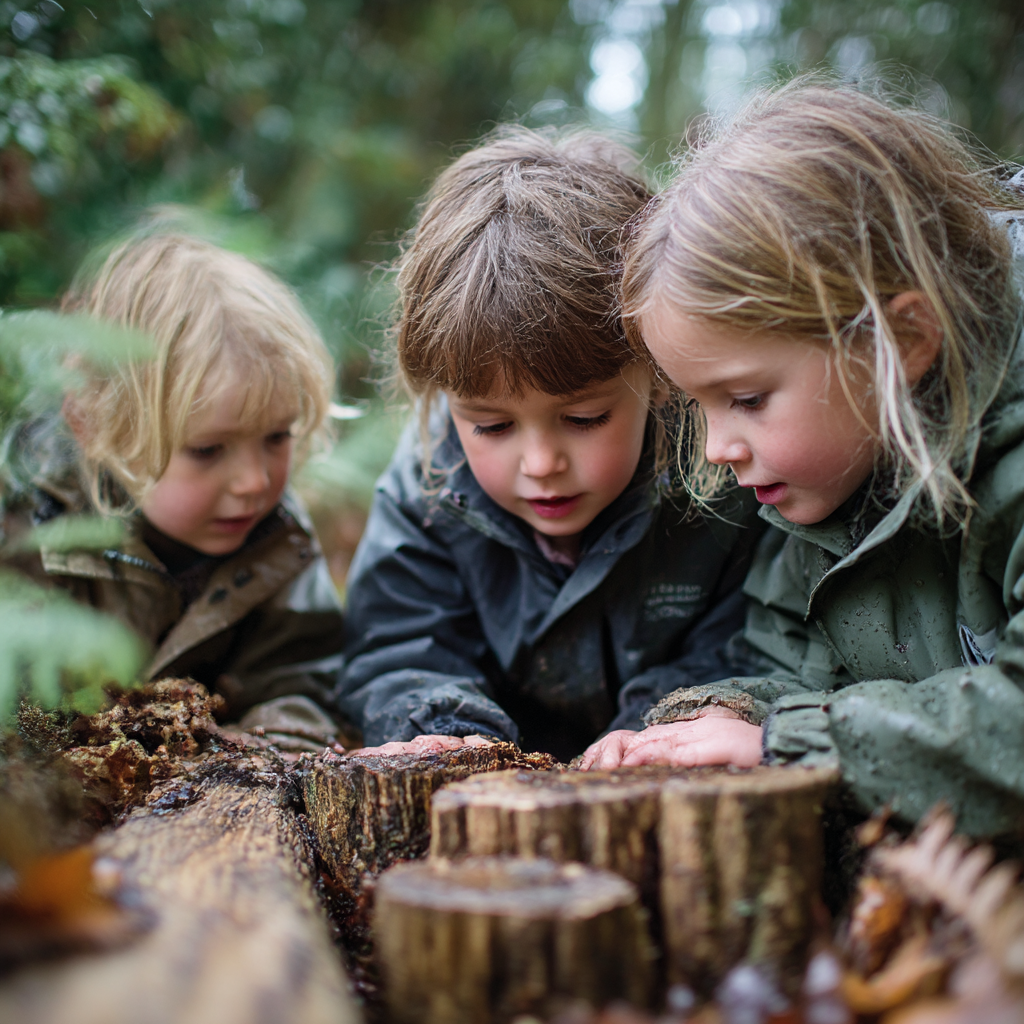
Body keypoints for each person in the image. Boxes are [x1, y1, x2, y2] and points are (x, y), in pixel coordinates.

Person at [591, 81, 1024, 839]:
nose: (720, 449)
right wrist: (717, 717)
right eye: (700, 406)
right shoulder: (829, 480)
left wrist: (788, 744)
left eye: (749, 398)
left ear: (902, 343)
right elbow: (793, 666)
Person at [337, 127, 766, 763]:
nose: (541, 465)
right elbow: (396, 646)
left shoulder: (723, 473)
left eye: (586, 417)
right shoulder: (428, 484)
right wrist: (452, 735)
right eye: (492, 426)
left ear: (660, 373)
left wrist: (655, 730)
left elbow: (747, 640)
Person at [2, 232, 351, 752]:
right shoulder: (29, 544)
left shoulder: (279, 544)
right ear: (90, 425)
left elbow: (299, 684)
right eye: (209, 450)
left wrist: (262, 758)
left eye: (276, 437)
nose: (255, 481)